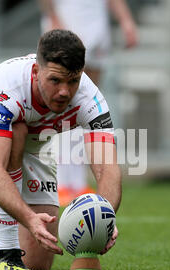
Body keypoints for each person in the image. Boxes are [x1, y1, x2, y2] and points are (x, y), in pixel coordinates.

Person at [0, 29, 121, 270]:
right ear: (35, 72)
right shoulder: (7, 86)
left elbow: (108, 169)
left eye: (72, 81)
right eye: (55, 81)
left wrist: (105, 218)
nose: (65, 91)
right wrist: (29, 219)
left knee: (38, 263)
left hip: (36, 149)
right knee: (17, 129)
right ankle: (7, 254)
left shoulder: (90, 97)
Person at [39, 0, 138, 206]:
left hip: (96, 25)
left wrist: (126, 21)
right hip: (68, 22)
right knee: (63, 103)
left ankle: (77, 183)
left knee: (85, 104)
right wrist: (54, 18)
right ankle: (62, 182)